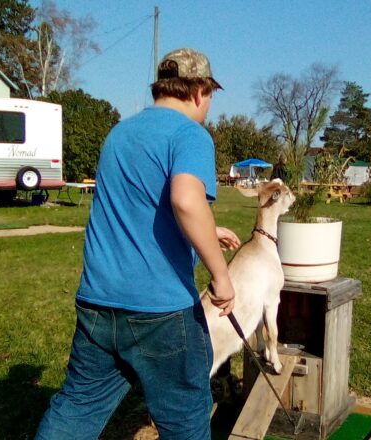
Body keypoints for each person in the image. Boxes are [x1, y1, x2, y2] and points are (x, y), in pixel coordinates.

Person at [35, 48, 240, 440]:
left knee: (76, 407)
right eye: (211, 94)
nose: (209, 104)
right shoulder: (190, 134)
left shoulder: (120, 133)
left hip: (98, 304)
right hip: (160, 313)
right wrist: (221, 275)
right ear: (199, 91)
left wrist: (206, 231)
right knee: (185, 420)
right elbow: (184, 199)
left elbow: (142, 205)